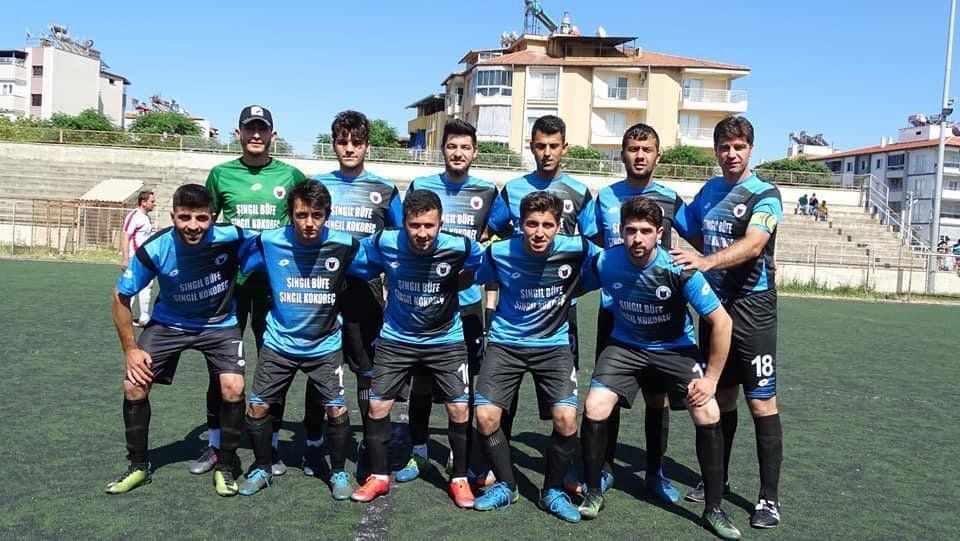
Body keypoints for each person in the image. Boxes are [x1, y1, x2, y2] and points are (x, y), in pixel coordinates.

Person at [577, 195, 741, 539]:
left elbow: (722, 322)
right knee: (594, 406)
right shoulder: (606, 261)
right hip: (625, 346)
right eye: (631, 231)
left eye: (645, 231)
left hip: (675, 349)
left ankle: (714, 508)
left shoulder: (679, 268)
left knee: (708, 411)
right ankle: (592, 492)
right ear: (621, 231)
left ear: (659, 233)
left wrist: (711, 379)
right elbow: (572, 284)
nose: (637, 238)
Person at [672, 116, 784, 529]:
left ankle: (768, 498)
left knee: (761, 402)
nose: (731, 154)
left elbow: (754, 245)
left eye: (739, 147)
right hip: (715, 309)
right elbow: (693, 229)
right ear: (716, 150)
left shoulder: (765, 194)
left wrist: (706, 262)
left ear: (751, 149)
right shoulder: (709, 191)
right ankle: (716, 478)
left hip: (754, 308)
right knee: (720, 396)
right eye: (724, 147)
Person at [576, 122, 695, 503]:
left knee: (657, 399)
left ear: (658, 156)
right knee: (605, 394)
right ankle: (603, 467)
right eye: (632, 149)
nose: (639, 156)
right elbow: (586, 240)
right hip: (615, 312)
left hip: (660, 318)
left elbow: (699, 238)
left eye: (647, 150)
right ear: (623, 153)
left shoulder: (671, 199)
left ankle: (655, 471)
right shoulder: (605, 198)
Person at [106, 184, 250, 497]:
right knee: (134, 385)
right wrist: (130, 350)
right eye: (185, 217)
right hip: (169, 324)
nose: (193, 226)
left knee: (233, 387)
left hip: (219, 325)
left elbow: (277, 244)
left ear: (213, 217)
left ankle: (225, 466)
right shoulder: (157, 247)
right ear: (173, 217)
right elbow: (120, 296)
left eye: (201, 218)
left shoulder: (234, 236)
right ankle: (138, 466)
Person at [349, 190, 483, 508]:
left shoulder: (460, 246)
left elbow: (480, 266)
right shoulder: (384, 241)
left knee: (459, 409)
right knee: (377, 407)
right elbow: (360, 262)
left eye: (429, 225)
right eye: (414, 225)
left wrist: (456, 283)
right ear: (404, 224)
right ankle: (378, 477)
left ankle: (459, 479)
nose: (422, 233)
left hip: (445, 339)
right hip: (397, 338)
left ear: (441, 224)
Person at [236, 181, 369, 500]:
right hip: (279, 342)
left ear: (327, 215)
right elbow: (242, 261)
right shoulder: (269, 241)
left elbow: (372, 267)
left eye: (317, 215)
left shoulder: (345, 244)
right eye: (301, 215)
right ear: (290, 215)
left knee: (336, 409)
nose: (309, 223)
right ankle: (263, 467)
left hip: (325, 345)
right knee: (257, 407)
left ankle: (338, 471)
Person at [471, 191, 599, 522]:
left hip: (553, 346)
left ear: (559, 226)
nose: (539, 232)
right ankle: (507, 485)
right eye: (531, 224)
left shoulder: (579, 248)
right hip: (505, 344)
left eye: (547, 225)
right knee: (485, 416)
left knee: (566, 419)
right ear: (520, 225)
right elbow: (471, 276)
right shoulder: (499, 252)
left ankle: (552, 491)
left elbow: (608, 266)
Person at [397, 119, 509, 484]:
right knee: (422, 381)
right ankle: (418, 452)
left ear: (475, 152)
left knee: (463, 384)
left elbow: (499, 234)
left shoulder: (488, 191)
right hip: (424, 300)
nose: (458, 153)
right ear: (442, 149)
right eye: (451, 146)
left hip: (466, 302)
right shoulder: (421, 186)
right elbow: (404, 234)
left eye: (465, 147)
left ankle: (459, 454)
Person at [197, 105, 306, 477]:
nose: (256, 135)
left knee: (274, 367)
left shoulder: (290, 175)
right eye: (249, 129)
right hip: (229, 287)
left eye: (262, 129)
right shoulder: (221, 174)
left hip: (276, 289)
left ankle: (269, 446)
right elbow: (204, 224)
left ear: (273, 135)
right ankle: (216, 445)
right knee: (220, 368)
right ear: (238, 133)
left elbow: (304, 223)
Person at [485, 115, 593, 443]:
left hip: (559, 311)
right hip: (516, 308)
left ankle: (559, 463)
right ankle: (497, 459)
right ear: (531, 147)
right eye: (541, 146)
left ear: (564, 148)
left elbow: (590, 246)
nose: (547, 152)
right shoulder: (513, 189)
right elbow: (492, 233)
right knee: (505, 394)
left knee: (560, 403)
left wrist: (572, 289)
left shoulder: (579, 192)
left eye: (553, 146)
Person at [312, 110, 404, 481]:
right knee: (319, 365)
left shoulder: (385, 189)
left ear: (367, 146)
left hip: (366, 290)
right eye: (342, 141)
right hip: (321, 289)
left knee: (367, 371)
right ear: (334, 144)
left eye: (356, 142)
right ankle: (315, 440)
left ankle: (370, 442)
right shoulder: (318, 185)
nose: (349, 148)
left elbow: (399, 240)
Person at [121, 190, 157, 327]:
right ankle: (125, 317)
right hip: (134, 258)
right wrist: (126, 258)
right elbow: (126, 236)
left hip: (145, 258)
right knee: (132, 287)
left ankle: (144, 317)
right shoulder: (134, 216)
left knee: (147, 285)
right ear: (143, 202)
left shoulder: (146, 217)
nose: (154, 204)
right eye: (152, 201)